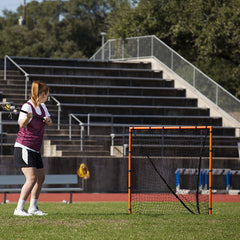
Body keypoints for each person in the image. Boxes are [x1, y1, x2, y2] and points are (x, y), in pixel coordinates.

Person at [13, 81, 52, 216]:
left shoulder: (43, 107)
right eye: (46, 95)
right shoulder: (27, 107)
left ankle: (33, 208)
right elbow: (21, 125)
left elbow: (50, 122)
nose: (47, 97)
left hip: (35, 149)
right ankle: (19, 209)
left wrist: (48, 121)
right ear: (41, 94)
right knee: (32, 178)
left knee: (41, 178)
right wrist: (27, 118)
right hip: (24, 147)